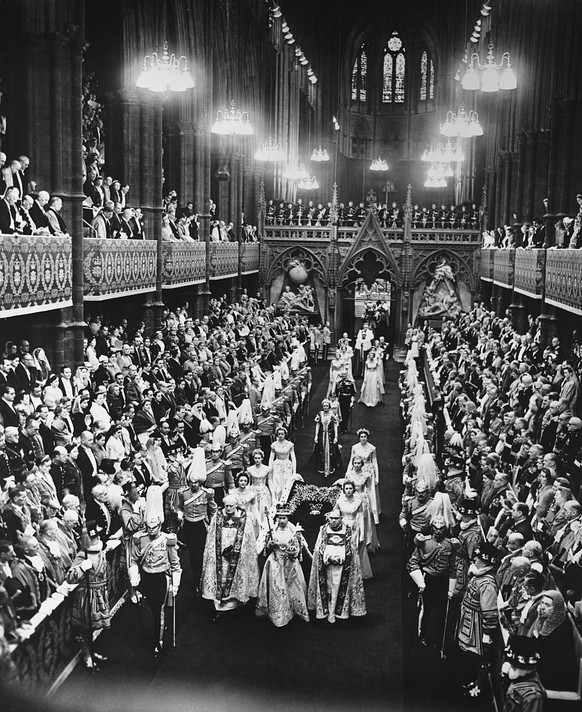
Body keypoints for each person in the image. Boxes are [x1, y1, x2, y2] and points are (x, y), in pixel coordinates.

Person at [129, 509, 182, 656]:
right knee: (150, 608)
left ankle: (158, 641)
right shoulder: (140, 539)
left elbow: (175, 563)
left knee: (159, 610)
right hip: (146, 578)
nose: (152, 530)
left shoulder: (167, 540)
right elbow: (133, 560)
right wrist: (134, 576)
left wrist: (175, 584)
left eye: (155, 527)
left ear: (160, 526)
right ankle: (159, 627)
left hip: (161, 579)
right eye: (149, 527)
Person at [200, 493, 260, 622]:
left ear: (236, 506)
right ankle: (220, 607)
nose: (228, 509)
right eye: (226, 506)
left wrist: (239, 550)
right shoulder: (218, 515)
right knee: (221, 577)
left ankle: (236, 602)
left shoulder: (244, 517)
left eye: (231, 506)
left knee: (238, 577)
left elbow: (249, 537)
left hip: (237, 554)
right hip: (220, 554)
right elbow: (212, 535)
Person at [307, 508, 367, 625]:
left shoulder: (348, 530)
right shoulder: (323, 530)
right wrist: (328, 557)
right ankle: (326, 612)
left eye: (336, 518)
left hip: (342, 566)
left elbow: (351, 549)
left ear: (341, 519)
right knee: (328, 588)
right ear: (328, 518)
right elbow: (319, 547)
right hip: (326, 565)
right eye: (331, 518)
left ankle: (337, 612)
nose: (333, 521)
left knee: (337, 588)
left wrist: (340, 558)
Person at [65, 521, 111, 670]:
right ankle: (87, 656)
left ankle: (92, 651)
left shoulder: (100, 551)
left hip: (98, 594)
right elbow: (70, 577)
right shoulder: (82, 555)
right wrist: (81, 569)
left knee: (92, 629)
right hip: (86, 597)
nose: (95, 540)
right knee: (84, 628)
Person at [456, 542, 500, 697]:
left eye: (478, 557)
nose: (474, 559)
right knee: (465, 655)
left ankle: (472, 686)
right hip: (468, 621)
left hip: (476, 627)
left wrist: (487, 634)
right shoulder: (478, 577)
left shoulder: (487, 583)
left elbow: (489, 613)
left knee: (472, 658)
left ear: (484, 561)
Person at [408, 514, 458, 647]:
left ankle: (439, 639)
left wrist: (451, 590)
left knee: (442, 612)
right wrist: (420, 581)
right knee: (426, 610)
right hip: (428, 579)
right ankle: (422, 634)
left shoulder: (449, 545)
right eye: (436, 528)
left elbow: (453, 567)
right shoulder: (424, 542)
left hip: (442, 581)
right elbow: (413, 562)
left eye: (442, 528)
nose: (439, 531)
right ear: (432, 528)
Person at [255, 503, 310, 627]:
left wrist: (293, 551)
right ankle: (279, 613)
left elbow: (298, 547)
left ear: (288, 518)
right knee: (277, 587)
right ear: (276, 518)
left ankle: (295, 610)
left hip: (291, 562)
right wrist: (271, 545)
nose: (281, 520)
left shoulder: (294, 530)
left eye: (284, 518)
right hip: (276, 562)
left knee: (293, 587)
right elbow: (267, 547)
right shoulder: (272, 530)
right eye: (279, 518)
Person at [178, 454, 217, 594]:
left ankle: (204, 579)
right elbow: (180, 507)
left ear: (199, 482)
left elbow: (213, 509)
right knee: (192, 555)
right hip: (189, 526)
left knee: (202, 554)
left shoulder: (207, 493)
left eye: (195, 482)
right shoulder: (183, 493)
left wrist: (212, 524)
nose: (193, 485)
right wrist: (179, 516)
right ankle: (196, 581)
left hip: (201, 526)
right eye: (191, 482)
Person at [335, 480, 373, 579]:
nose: (348, 491)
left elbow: (360, 518)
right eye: (346, 488)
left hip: (353, 527)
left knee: (353, 550)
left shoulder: (358, 502)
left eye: (350, 488)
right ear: (343, 490)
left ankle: (354, 572)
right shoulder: (339, 502)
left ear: (353, 490)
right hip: (342, 528)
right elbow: (335, 515)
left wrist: (362, 535)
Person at [502, 635, 546, 712]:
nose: (510, 668)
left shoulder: (533, 696)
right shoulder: (519, 678)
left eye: (514, 666)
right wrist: (504, 676)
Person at [349, 428, 381, 523]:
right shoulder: (355, 447)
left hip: (368, 470)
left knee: (370, 492)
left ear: (367, 437)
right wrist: (348, 472)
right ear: (359, 438)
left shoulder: (372, 448)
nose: (363, 438)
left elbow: (375, 462)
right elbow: (351, 461)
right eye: (361, 437)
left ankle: (372, 512)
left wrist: (377, 476)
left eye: (365, 437)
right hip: (357, 470)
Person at [313, 398, 341, 479]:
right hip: (322, 435)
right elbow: (317, 425)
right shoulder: (320, 414)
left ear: (329, 406)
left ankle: (330, 467)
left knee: (330, 450)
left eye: (327, 406)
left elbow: (335, 425)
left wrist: (336, 436)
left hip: (330, 435)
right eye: (324, 406)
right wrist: (316, 436)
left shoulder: (332, 414)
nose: (325, 407)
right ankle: (322, 467)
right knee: (321, 450)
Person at [268, 426, 297, 503]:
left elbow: (293, 458)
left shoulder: (290, 445)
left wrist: (294, 471)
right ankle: (277, 501)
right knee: (277, 483)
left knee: (286, 482)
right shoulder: (274, 445)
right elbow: (271, 458)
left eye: (282, 434)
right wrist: (269, 468)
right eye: (279, 434)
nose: (280, 435)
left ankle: (286, 501)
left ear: (285, 435)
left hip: (287, 465)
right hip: (277, 465)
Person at [247, 448, 272, 528]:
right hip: (253, 490)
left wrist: (273, 495)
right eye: (255, 458)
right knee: (253, 510)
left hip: (263, 491)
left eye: (259, 458)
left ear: (262, 458)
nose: (257, 460)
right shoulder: (250, 469)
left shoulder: (267, 469)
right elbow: (248, 483)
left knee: (263, 510)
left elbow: (270, 481)